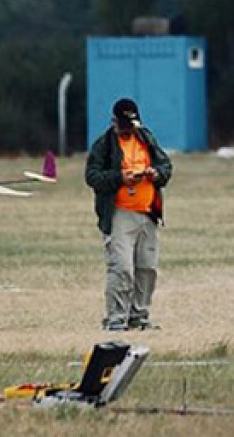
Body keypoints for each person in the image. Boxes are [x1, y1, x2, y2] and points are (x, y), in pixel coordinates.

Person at [85, 98, 173, 332]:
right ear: (114, 121)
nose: (127, 129)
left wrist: (156, 174)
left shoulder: (146, 138)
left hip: (148, 212)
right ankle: (116, 318)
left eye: (130, 124)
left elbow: (166, 167)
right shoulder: (103, 145)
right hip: (120, 214)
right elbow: (92, 177)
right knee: (122, 267)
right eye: (123, 124)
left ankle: (139, 316)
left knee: (147, 267)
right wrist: (120, 179)